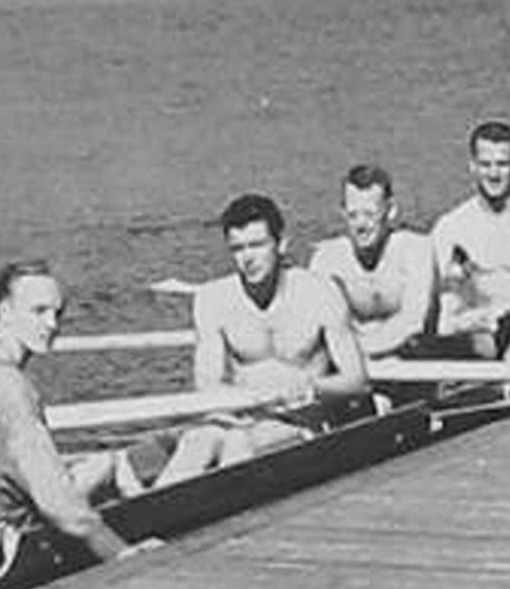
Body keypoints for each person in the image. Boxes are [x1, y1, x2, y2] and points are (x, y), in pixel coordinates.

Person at [0, 260, 142, 566]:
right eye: (39, 311)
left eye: (58, 313)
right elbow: (60, 507)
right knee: (105, 464)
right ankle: (131, 486)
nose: (52, 325)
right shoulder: (14, 391)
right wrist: (122, 553)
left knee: (91, 463)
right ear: (5, 311)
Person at [158, 194, 372, 485]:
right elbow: (207, 385)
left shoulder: (320, 293)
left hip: (297, 421)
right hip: (237, 416)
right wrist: (241, 407)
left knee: (239, 445)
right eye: (238, 248)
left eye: (257, 245)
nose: (247, 258)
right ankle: (146, 523)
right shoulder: (211, 299)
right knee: (197, 441)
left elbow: (357, 380)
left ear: (281, 244)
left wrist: (310, 387)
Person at [430, 120, 510, 361]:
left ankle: (506, 382)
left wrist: (495, 313)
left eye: (502, 164)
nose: (493, 174)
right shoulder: (451, 226)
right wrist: (463, 321)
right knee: (449, 324)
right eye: (485, 165)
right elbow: (443, 294)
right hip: (484, 326)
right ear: (472, 166)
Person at [309, 164, 435, 359]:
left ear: (391, 210)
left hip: (410, 371)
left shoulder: (415, 250)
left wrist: (355, 348)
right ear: (342, 212)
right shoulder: (328, 260)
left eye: (369, 214)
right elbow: (319, 326)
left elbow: (413, 321)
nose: (361, 225)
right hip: (352, 372)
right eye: (353, 215)